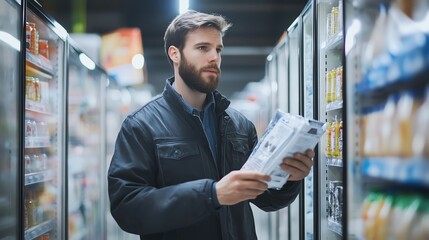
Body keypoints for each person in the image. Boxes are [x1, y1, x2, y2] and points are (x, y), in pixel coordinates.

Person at [108, 10, 315, 240]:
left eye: (218, 49)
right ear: (175, 54)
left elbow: (265, 199)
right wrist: (212, 195)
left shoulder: (239, 126)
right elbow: (127, 208)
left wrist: (289, 179)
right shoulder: (141, 126)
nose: (214, 57)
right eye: (202, 48)